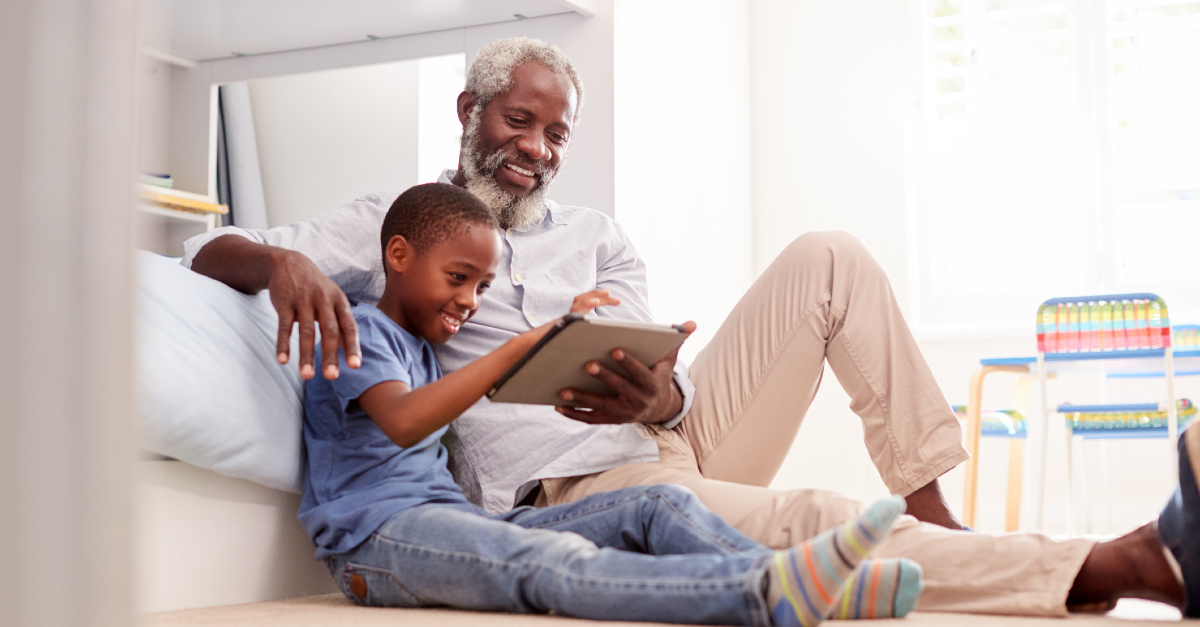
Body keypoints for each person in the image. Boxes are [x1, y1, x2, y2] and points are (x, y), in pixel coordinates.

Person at [184, 37, 1198, 617]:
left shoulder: (597, 235)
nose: (536, 149)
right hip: (574, 483)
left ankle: (932, 509)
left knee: (828, 255)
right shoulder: (393, 222)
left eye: (555, 133)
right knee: (806, 517)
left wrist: (663, 391)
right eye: (517, 122)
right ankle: (1117, 564)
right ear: (468, 110)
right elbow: (208, 253)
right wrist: (281, 263)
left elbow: (664, 378)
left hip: (667, 433)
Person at [301, 182, 926, 626]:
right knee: (552, 561)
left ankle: (825, 587)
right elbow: (404, 420)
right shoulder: (357, 330)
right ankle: (760, 592)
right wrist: (524, 344)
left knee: (658, 503)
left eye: (482, 286)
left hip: (456, 524)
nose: (469, 300)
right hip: (375, 545)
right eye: (458, 278)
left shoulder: (425, 347)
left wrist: (569, 344)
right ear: (400, 256)